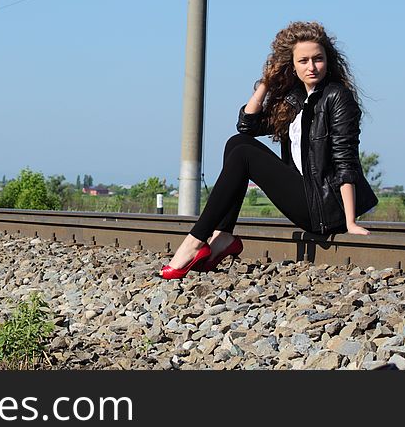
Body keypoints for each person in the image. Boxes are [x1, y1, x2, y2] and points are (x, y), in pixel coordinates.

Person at [160, 21, 378, 279]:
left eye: (318, 59)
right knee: (236, 144)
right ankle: (222, 235)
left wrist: (350, 222)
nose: (312, 67)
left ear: (327, 60)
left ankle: (195, 241)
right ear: (292, 65)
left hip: (325, 206)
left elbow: (346, 160)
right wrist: (266, 82)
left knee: (243, 154)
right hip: (305, 191)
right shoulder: (296, 98)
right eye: (303, 60)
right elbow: (247, 126)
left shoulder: (337, 96)